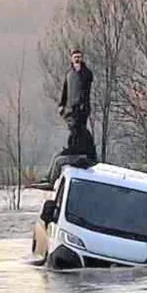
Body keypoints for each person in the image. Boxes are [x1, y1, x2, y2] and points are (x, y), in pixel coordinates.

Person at [38, 48, 97, 188]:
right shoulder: (69, 74)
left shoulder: (86, 74)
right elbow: (65, 90)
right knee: (58, 156)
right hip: (71, 107)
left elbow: (86, 90)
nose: (77, 59)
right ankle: (48, 179)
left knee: (60, 158)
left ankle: (50, 181)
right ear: (71, 59)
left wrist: (82, 107)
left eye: (79, 57)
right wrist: (62, 105)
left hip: (79, 109)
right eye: (75, 57)